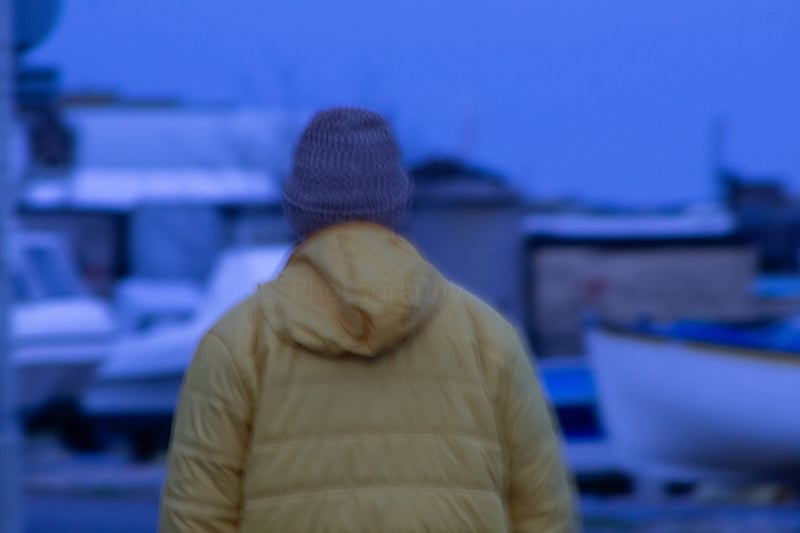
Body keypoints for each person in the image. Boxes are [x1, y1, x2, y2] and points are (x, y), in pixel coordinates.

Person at [159, 107, 576, 532]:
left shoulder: (236, 344)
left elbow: (195, 519)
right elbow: (544, 512)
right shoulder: (489, 338)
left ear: (296, 209)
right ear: (396, 204)